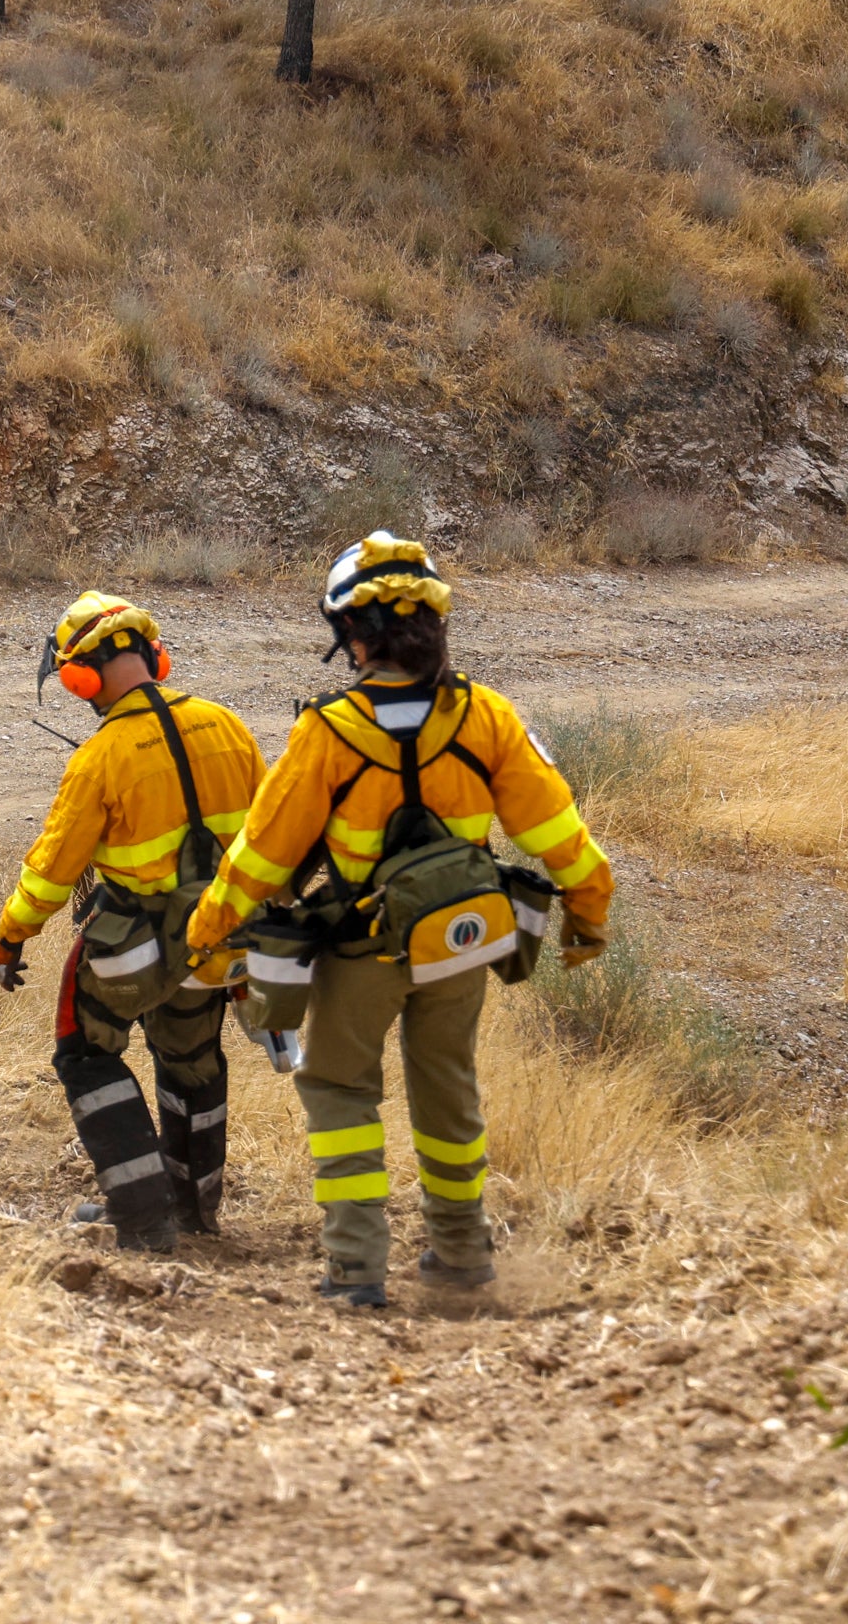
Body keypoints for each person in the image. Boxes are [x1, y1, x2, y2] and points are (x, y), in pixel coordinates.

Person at [186, 532, 614, 1306]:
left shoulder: (329, 731)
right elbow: (561, 837)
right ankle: (460, 1254)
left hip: (363, 954)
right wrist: (588, 914)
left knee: (338, 1087)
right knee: (448, 1088)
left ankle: (355, 1268)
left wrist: (207, 933)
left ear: (352, 634)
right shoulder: (487, 717)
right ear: (434, 625)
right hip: (460, 948)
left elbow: (261, 856)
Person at [0, 593, 264, 1252]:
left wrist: (9, 937)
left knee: (85, 1054)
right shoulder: (228, 725)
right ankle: (195, 1214)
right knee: (192, 1065)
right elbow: (271, 840)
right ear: (152, 656)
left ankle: (142, 1220)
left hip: (134, 949)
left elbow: (52, 873)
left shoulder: (101, 757)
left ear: (81, 675)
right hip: (219, 941)